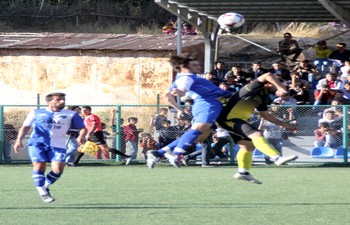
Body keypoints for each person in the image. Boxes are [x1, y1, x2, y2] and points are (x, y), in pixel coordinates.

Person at [147, 53, 232, 169]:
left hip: (205, 105)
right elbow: (182, 90)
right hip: (208, 104)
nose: (199, 67)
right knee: (196, 131)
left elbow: (167, 95)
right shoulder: (187, 77)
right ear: (183, 66)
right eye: (195, 65)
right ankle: (176, 154)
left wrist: (179, 109)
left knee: (194, 135)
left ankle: (159, 153)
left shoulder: (180, 78)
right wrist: (180, 93)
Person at [217, 72, 298, 184]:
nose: (283, 88)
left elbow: (265, 115)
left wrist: (286, 125)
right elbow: (268, 74)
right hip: (229, 119)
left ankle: (243, 172)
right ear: (269, 83)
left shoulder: (263, 98)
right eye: (279, 85)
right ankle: (276, 158)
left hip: (236, 120)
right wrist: (281, 87)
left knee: (248, 146)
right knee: (257, 134)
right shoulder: (254, 87)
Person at [13, 93, 86, 203]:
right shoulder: (36, 112)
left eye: (63, 100)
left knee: (58, 169)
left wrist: (81, 136)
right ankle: (42, 191)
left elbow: (82, 128)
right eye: (58, 100)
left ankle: (45, 186)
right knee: (39, 165)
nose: (62, 102)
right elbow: (25, 126)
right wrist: (18, 140)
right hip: (37, 143)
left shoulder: (71, 114)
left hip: (58, 145)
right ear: (49, 102)